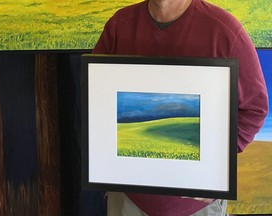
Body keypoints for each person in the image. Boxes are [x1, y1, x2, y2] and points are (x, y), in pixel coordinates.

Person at [92, 0, 269, 215]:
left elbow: (255, 108)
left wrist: (216, 166)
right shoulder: (119, 25)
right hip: (129, 201)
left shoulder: (224, 30)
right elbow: (96, 98)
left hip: (197, 207)